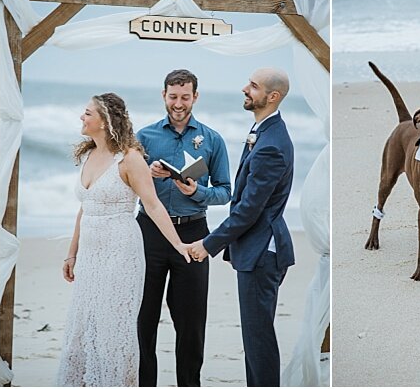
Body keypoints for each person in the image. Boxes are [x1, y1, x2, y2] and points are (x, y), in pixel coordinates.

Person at [56, 92, 193, 387]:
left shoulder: (130, 158)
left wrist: (178, 244)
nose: (82, 117)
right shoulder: (90, 154)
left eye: (88, 113)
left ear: (104, 122)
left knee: (114, 329)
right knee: (84, 324)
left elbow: (153, 205)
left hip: (120, 252)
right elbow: (85, 208)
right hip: (90, 255)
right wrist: (72, 254)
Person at [188, 68, 296, 387]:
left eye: (253, 86)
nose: (244, 89)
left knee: (258, 339)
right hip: (258, 248)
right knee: (255, 337)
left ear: (272, 97)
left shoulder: (271, 145)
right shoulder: (263, 130)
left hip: (262, 252)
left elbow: (249, 209)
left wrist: (208, 244)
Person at [135, 69, 231, 387]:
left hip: (194, 234)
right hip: (149, 232)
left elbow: (225, 191)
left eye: (185, 97)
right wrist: (146, 174)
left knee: (191, 322)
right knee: (143, 317)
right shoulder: (145, 137)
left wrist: (197, 192)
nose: (179, 103)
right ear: (164, 95)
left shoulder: (212, 139)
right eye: (173, 96)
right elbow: (125, 184)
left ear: (195, 97)